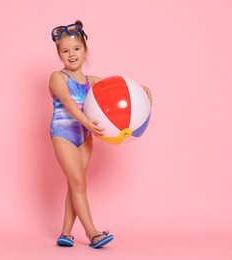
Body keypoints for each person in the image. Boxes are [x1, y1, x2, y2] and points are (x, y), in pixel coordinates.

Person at [49, 20, 152, 249]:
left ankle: (66, 233)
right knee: (78, 182)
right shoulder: (57, 78)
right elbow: (67, 101)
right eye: (65, 51)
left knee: (75, 185)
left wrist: (142, 91)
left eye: (76, 49)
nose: (71, 55)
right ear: (59, 54)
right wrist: (87, 121)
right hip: (64, 134)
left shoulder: (90, 82)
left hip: (85, 136)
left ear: (85, 51)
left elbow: (118, 87)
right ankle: (92, 232)